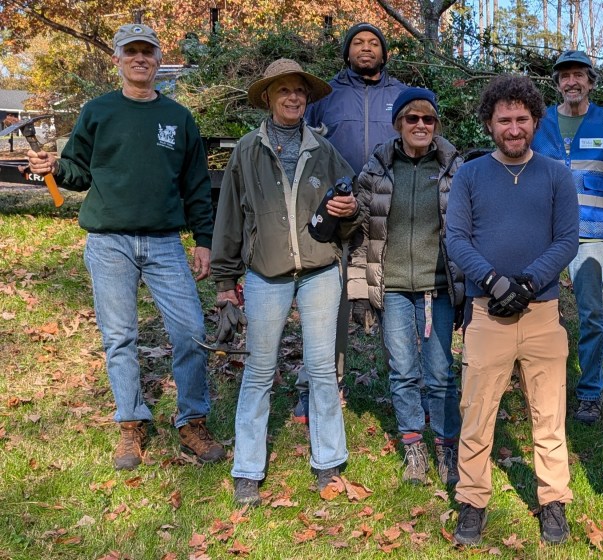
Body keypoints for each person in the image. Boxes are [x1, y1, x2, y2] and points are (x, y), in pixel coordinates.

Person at [26, 23, 225, 471]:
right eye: (130, 51)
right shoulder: (98, 111)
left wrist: (205, 241)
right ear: (117, 60)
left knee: (191, 331)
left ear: (158, 60)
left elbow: (195, 185)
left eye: (147, 52)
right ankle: (131, 423)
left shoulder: (178, 118)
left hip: (165, 242)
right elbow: (77, 171)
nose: (139, 58)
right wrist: (54, 165)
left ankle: (191, 419)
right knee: (120, 338)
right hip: (109, 241)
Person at [210, 59, 360, 505]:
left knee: (320, 370)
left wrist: (348, 214)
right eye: (283, 91)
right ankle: (248, 469)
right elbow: (230, 218)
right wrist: (224, 280)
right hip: (264, 274)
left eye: (299, 91)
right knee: (258, 369)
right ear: (268, 98)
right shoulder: (247, 151)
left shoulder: (325, 152)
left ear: (307, 99)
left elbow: (348, 219)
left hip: (319, 273)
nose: (293, 98)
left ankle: (329, 461)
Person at [446, 75, 578, 546]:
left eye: (522, 118)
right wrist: (494, 280)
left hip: (541, 313)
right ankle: (472, 501)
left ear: (536, 121)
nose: (514, 127)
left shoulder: (555, 174)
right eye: (505, 119)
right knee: (477, 413)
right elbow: (457, 239)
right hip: (486, 314)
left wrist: (527, 281)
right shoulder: (471, 174)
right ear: (489, 124)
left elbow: (566, 239)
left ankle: (553, 501)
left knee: (549, 414)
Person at [350, 87, 464, 487]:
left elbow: (467, 230)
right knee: (402, 371)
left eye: (428, 119)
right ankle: (413, 445)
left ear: (436, 124)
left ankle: (447, 446)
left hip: (439, 288)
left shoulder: (454, 168)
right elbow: (359, 234)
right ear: (398, 123)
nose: (420, 125)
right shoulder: (377, 169)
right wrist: (359, 291)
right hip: (393, 286)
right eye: (412, 118)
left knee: (440, 372)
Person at [297, 21, 409, 422]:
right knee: (329, 305)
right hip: (337, 212)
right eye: (358, 43)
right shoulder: (325, 95)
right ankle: (318, 386)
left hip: (390, 211)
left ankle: (408, 389)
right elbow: (304, 148)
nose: (365, 48)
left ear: (384, 52)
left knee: (393, 300)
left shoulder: (399, 95)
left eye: (373, 43)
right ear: (347, 53)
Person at [531, 50, 603, 425]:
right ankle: (541, 387)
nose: (571, 82)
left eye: (578, 75)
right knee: (539, 313)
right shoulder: (539, 124)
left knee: (592, 315)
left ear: (591, 81)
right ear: (556, 84)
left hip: (593, 234)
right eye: (564, 76)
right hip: (544, 234)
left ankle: (590, 392)